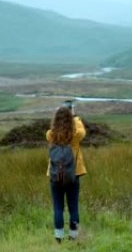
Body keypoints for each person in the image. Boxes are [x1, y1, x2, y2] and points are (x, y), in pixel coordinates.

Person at [46, 104, 87, 243]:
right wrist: (74, 116)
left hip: (55, 175)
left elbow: (52, 130)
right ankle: (73, 237)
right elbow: (82, 130)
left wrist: (58, 114)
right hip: (72, 175)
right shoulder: (76, 135)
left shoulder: (50, 135)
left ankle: (58, 238)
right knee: (73, 208)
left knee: (58, 208)